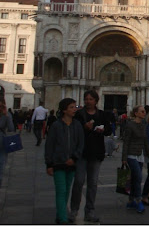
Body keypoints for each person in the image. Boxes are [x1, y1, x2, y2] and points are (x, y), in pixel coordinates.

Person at [69, 90, 110, 223]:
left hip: (96, 152)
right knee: (79, 182)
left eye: (91, 99)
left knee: (93, 183)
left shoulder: (101, 115)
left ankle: (90, 211)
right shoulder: (79, 115)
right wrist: (84, 127)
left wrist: (103, 130)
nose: (88, 101)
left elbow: (109, 130)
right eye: (86, 99)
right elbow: (74, 129)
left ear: (96, 101)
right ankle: (74, 210)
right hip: (81, 152)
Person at [45, 98, 85, 225]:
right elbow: (49, 145)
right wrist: (49, 164)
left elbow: (80, 144)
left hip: (71, 163)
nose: (75, 109)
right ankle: (63, 219)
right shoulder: (56, 126)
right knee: (61, 191)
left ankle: (59, 215)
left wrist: (74, 158)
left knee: (66, 191)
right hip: (58, 163)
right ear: (64, 110)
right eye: (72, 107)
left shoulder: (77, 125)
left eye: (75, 107)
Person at [122, 106, 149, 213]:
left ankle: (131, 201)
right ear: (136, 113)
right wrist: (124, 158)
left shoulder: (143, 125)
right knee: (138, 178)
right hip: (131, 155)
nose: (144, 113)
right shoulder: (130, 125)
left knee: (134, 179)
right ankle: (139, 201)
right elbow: (126, 142)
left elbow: (146, 143)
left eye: (144, 111)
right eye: (142, 111)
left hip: (140, 156)